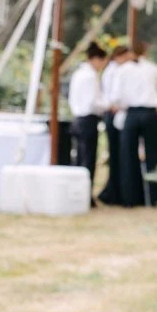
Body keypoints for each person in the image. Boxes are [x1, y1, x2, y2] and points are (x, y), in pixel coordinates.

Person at [117, 40, 157, 208]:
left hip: (131, 113)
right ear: (145, 52)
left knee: (128, 156)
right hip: (149, 113)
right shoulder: (153, 69)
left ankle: (131, 198)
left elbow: (117, 96)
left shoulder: (122, 71)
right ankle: (156, 198)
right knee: (154, 155)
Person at [67, 42, 107, 200]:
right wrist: (107, 105)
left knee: (79, 160)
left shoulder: (78, 74)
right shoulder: (90, 76)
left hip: (77, 119)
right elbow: (93, 102)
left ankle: (77, 194)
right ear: (96, 59)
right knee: (87, 160)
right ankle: (85, 196)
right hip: (88, 120)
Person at [97, 43, 131, 206]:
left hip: (116, 113)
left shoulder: (115, 71)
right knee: (116, 153)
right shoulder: (113, 71)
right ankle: (113, 191)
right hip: (114, 114)